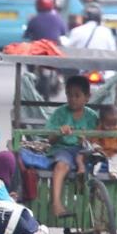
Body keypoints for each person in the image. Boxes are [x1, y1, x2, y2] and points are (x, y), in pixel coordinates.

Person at [46, 74, 99, 219]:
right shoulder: (60, 113)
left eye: (77, 95)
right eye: (69, 95)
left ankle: (88, 204)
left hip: (84, 151)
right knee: (61, 165)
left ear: (87, 97)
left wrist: (86, 139)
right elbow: (50, 139)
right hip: (63, 149)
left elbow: (97, 139)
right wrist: (59, 133)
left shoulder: (92, 116)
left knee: (89, 161)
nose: (72, 99)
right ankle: (56, 203)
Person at [90, 104, 117, 179]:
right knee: (96, 160)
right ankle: (95, 173)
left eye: (114, 124)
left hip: (115, 152)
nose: (111, 128)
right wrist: (98, 148)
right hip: (102, 152)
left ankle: (114, 173)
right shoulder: (98, 130)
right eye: (108, 125)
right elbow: (94, 141)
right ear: (101, 122)